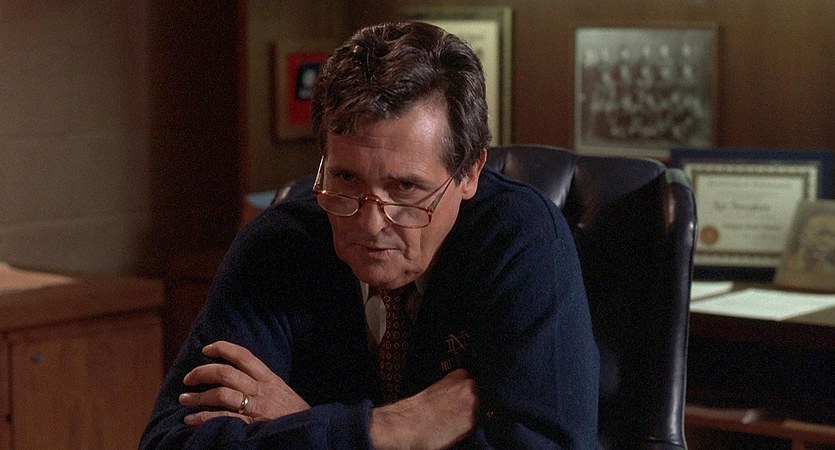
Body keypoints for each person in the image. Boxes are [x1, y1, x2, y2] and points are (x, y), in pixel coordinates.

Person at [140, 21, 599, 449]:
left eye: (405, 188)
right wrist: (389, 429)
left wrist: (301, 425)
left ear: (470, 172)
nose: (371, 223)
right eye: (346, 179)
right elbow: (169, 442)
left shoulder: (522, 240)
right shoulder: (278, 244)